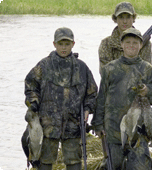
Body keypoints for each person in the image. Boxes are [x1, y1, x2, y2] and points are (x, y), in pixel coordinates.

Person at [23, 27, 98, 170]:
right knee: (45, 161)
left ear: (73, 44)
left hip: (73, 124)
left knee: (74, 162)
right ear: (54, 44)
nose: (64, 47)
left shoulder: (81, 67)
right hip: (48, 124)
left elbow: (92, 93)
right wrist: (33, 103)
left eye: (67, 44)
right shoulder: (44, 65)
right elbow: (30, 85)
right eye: (61, 44)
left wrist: (88, 109)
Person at [91, 27, 152, 170]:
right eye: (128, 42)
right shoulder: (110, 69)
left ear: (141, 45)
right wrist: (98, 124)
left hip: (139, 132)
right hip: (113, 130)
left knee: (140, 167)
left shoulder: (147, 69)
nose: (131, 45)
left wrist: (147, 91)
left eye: (135, 42)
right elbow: (101, 98)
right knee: (113, 166)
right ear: (121, 45)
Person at [98, 1, 152, 75]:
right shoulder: (106, 44)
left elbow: (147, 72)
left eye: (128, 17)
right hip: (114, 86)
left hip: (138, 86)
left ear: (133, 18)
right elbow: (105, 73)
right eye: (121, 17)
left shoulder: (145, 44)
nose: (125, 21)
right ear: (115, 19)